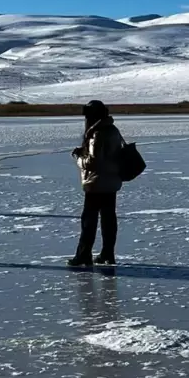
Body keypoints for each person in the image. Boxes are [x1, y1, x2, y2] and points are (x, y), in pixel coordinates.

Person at [68, 100, 124, 267]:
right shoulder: (113, 129)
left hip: (96, 183)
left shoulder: (97, 133)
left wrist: (78, 158)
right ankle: (108, 254)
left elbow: (92, 162)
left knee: (89, 220)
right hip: (112, 181)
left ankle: (83, 255)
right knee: (108, 219)